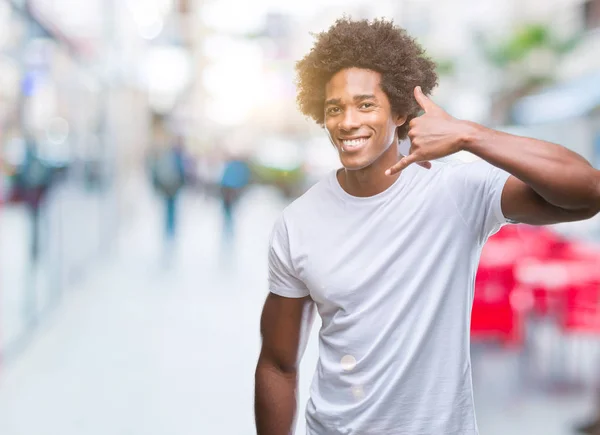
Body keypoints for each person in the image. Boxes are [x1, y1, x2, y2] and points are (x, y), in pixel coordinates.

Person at [254, 18, 600, 435]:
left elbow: (588, 190)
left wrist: (470, 135)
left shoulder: (455, 191)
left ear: (400, 111)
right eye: (334, 108)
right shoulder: (298, 224)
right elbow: (277, 361)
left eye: (366, 104)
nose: (347, 121)